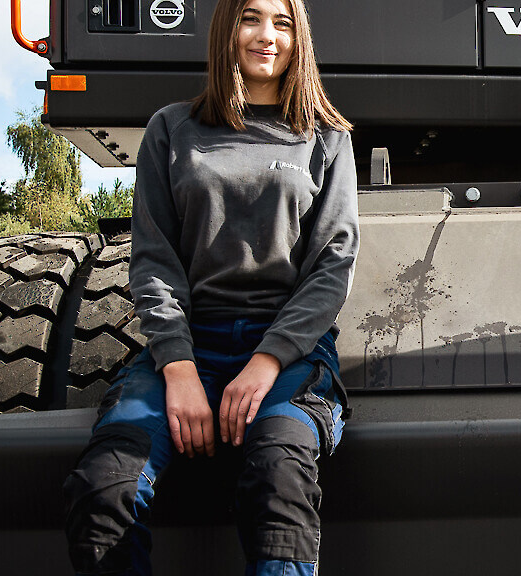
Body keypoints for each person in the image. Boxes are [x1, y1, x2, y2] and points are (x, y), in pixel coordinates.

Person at [61, 0, 357, 574]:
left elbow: (333, 262)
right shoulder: (172, 129)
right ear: (226, 29)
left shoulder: (325, 138)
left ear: (301, 38)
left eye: (283, 22)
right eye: (250, 18)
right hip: (187, 347)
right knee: (105, 487)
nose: (266, 36)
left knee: (279, 477)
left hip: (289, 354)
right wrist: (178, 368)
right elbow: (154, 257)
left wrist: (267, 362)